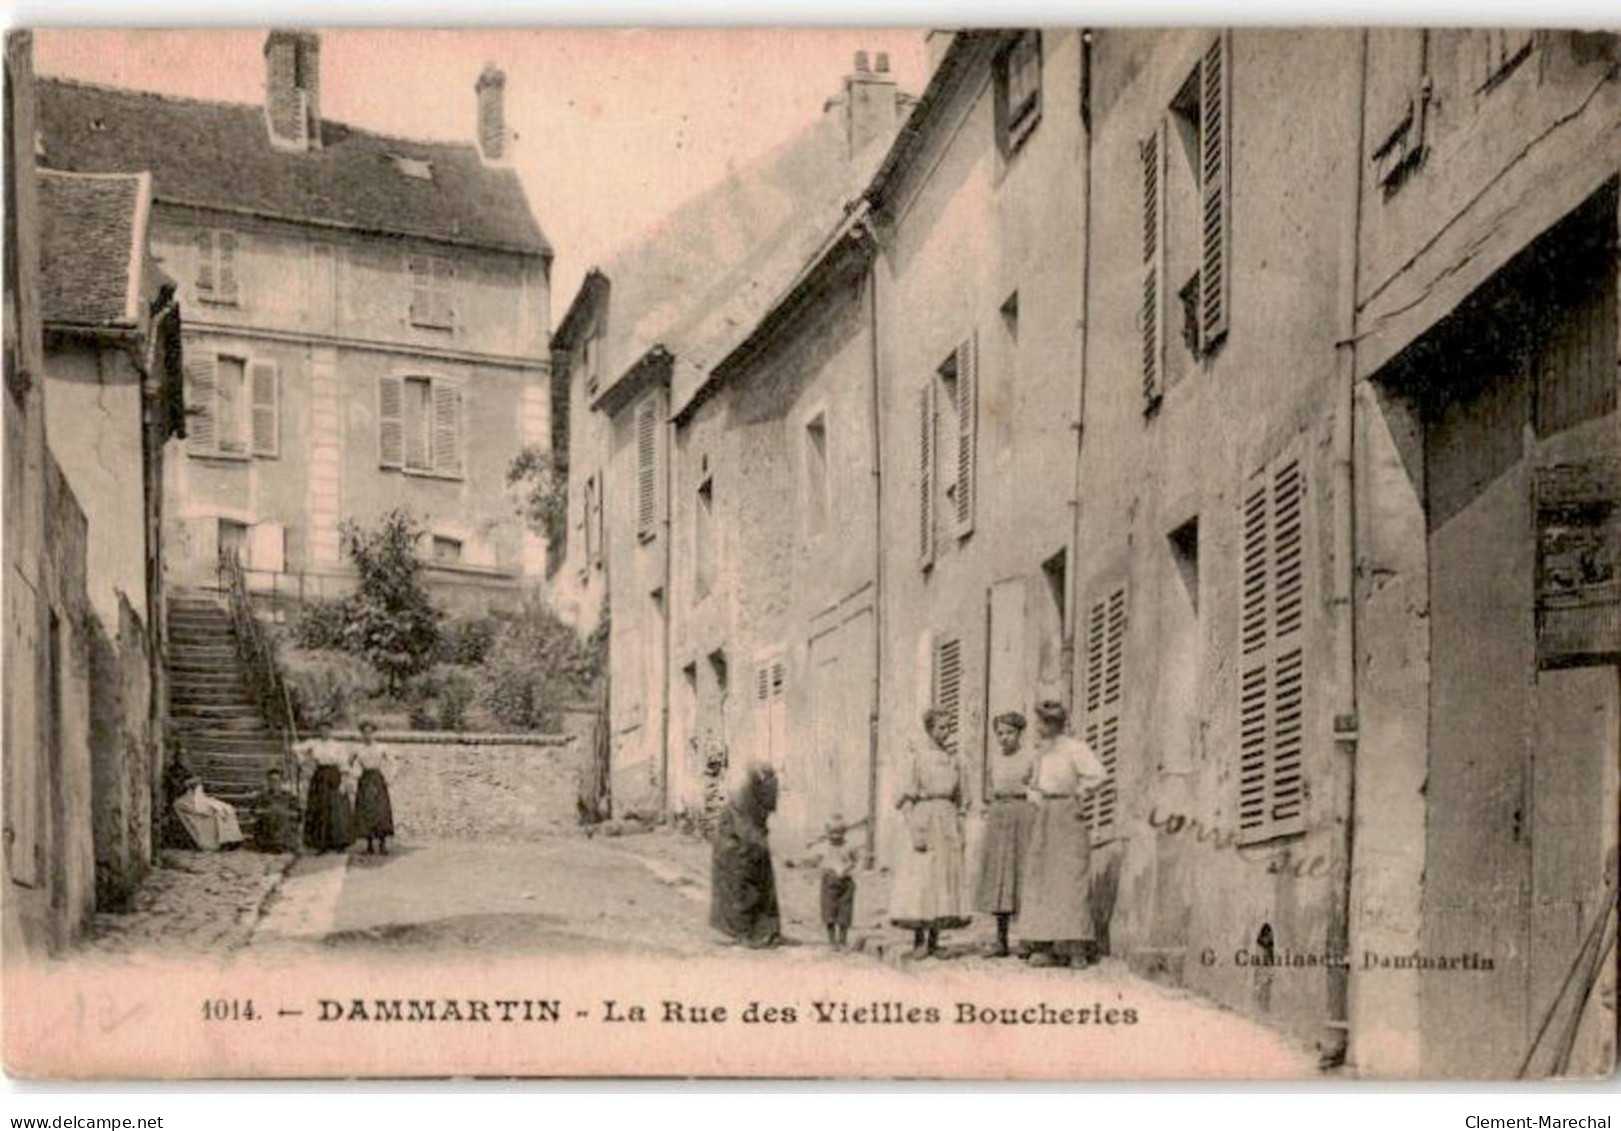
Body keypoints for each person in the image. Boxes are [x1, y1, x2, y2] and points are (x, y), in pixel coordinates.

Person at [1017, 700, 1106, 968]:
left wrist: (1078, 793)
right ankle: (1044, 946)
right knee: (1043, 878)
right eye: (1040, 721)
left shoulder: (1075, 748)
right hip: (1045, 814)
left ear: (1056, 724)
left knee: (1071, 877)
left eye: (1044, 722)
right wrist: (1034, 797)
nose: (1040, 727)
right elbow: (1029, 783)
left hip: (1068, 813)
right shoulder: (1040, 753)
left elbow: (1099, 776)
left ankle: (1076, 947)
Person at [890, 708, 971, 959]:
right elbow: (906, 797)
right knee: (923, 880)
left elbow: (962, 799)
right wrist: (913, 826)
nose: (945, 732)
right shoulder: (918, 759)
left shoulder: (955, 760)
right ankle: (919, 940)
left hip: (947, 821)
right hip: (925, 819)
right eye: (940, 727)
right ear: (929, 729)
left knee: (943, 880)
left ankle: (935, 940)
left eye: (948, 727)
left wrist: (960, 825)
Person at [974, 710, 1037, 958]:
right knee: (1000, 878)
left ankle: (1026, 940)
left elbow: (1037, 787)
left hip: (1023, 815)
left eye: (1009, 732)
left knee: (1022, 874)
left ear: (1019, 733)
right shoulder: (995, 759)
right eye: (1000, 733)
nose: (1004, 738)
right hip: (999, 815)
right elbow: (989, 789)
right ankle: (1000, 941)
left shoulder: (1031, 757)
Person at [709, 764, 782, 948]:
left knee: (763, 886)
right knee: (741, 889)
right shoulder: (741, 801)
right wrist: (759, 843)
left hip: (749, 848)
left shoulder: (759, 790)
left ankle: (764, 931)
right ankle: (742, 933)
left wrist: (760, 841)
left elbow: (761, 822)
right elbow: (746, 831)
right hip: (733, 850)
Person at [300, 723, 353, 853]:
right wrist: (304, 761)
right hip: (320, 776)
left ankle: (339, 843)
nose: (324, 732)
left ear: (330, 731)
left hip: (334, 776)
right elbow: (295, 748)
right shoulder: (314, 743)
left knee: (337, 808)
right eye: (321, 729)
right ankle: (321, 843)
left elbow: (344, 764)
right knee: (320, 808)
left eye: (326, 730)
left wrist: (344, 782)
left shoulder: (337, 745)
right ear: (318, 731)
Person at [812, 813, 861, 950]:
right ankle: (832, 941)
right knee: (829, 910)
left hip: (845, 881)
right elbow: (816, 860)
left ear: (844, 832)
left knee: (845, 911)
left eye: (839, 833)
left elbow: (855, 860)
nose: (835, 836)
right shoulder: (823, 846)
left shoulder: (848, 846)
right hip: (829, 881)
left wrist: (847, 867)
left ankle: (843, 939)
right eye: (832, 833)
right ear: (827, 832)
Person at [351, 719, 396, 855]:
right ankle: (369, 844)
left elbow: (393, 762)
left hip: (377, 779)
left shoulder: (382, 747)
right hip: (365, 779)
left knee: (380, 810)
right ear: (361, 734)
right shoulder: (358, 749)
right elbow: (348, 763)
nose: (367, 735)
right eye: (364, 733)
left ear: (374, 733)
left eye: (370, 732)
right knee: (366, 811)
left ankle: (382, 844)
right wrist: (354, 774)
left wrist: (390, 778)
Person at [172, 776, 246, 851]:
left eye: (198, 785)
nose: (199, 787)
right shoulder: (181, 801)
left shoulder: (198, 795)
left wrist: (218, 806)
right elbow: (197, 809)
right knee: (217, 816)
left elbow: (204, 801)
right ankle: (223, 841)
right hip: (197, 817)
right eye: (196, 786)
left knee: (227, 811)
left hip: (203, 812)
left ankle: (231, 839)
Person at [250, 766, 301, 853]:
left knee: (281, 815)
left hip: (284, 829)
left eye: (276, 780)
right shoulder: (262, 796)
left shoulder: (289, 796)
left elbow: (298, 814)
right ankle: (271, 844)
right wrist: (268, 811)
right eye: (271, 780)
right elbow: (254, 812)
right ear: (268, 782)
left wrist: (283, 812)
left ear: (281, 781)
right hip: (267, 829)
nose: (274, 783)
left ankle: (281, 843)